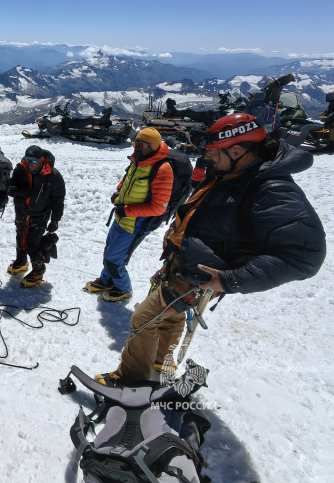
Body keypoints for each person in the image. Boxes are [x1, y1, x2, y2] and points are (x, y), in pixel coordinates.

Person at [95, 114, 326, 387]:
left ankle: (131, 381)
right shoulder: (234, 171)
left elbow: (305, 255)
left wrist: (231, 279)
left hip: (201, 272)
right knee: (170, 316)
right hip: (185, 265)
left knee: (143, 319)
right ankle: (161, 361)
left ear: (237, 150)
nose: (206, 158)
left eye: (212, 152)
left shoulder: (271, 189)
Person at [85, 127, 174, 302]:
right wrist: (119, 192)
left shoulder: (162, 169)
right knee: (109, 253)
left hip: (136, 225)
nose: (137, 148)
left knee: (115, 259)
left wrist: (126, 210)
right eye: (135, 143)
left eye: (142, 145)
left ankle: (123, 288)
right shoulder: (138, 161)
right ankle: (105, 280)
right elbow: (127, 180)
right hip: (121, 218)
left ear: (154, 147)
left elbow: (159, 208)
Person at [6, 145, 65, 287]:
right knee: (20, 237)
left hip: (40, 215)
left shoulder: (53, 176)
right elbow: (9, 189)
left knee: (33, 244)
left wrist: (55, 220)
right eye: (27, 160)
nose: (29, 164)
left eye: (33, 161)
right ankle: (21, 262)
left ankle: (39, 270)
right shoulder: (20, 170)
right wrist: (22, 192)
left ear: (41, 160)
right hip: (21, 212)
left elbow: (58, 201)